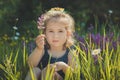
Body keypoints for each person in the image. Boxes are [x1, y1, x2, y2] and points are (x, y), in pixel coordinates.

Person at [25, 7, 77, 80]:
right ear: (44, 33)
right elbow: (31, 65)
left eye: (60, 31)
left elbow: (75, 75)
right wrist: (39, 48)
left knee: (49, 72)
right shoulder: (43, 49)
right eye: (51, 31)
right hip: (42, 77)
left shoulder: (70, 53)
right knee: (35, 70)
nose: (55, 36)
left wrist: (64, 66)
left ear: (67, 34)